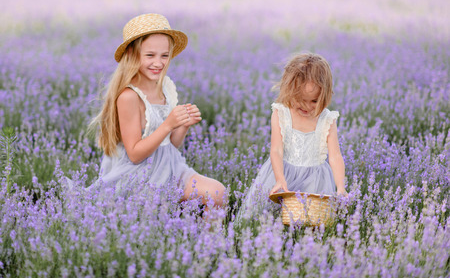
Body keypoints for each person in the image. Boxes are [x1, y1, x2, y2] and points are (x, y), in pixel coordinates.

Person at [87, 13, 226, 207]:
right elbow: (135, 155)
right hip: (138, 175)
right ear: (132, 55)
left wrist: (182, 125)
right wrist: (169, 123)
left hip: (170, 168)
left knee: (218, 193)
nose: (158, 63)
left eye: (165, 56)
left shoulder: (165, 88)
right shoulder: (129, 97)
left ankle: (210, 238)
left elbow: (169, 145)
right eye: (150, 55)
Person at [240, 52, 347, 218]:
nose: (306, 106)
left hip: (315, 180)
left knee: (312, 219)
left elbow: (335, 156)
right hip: (283, 173)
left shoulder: (327, 120)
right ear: (288, 91)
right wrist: (279, 178)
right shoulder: (280, 113)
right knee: (267, 215)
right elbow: (276, 150)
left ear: (324, 96)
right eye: (301, 99)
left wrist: (340, 186)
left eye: (314, 101)